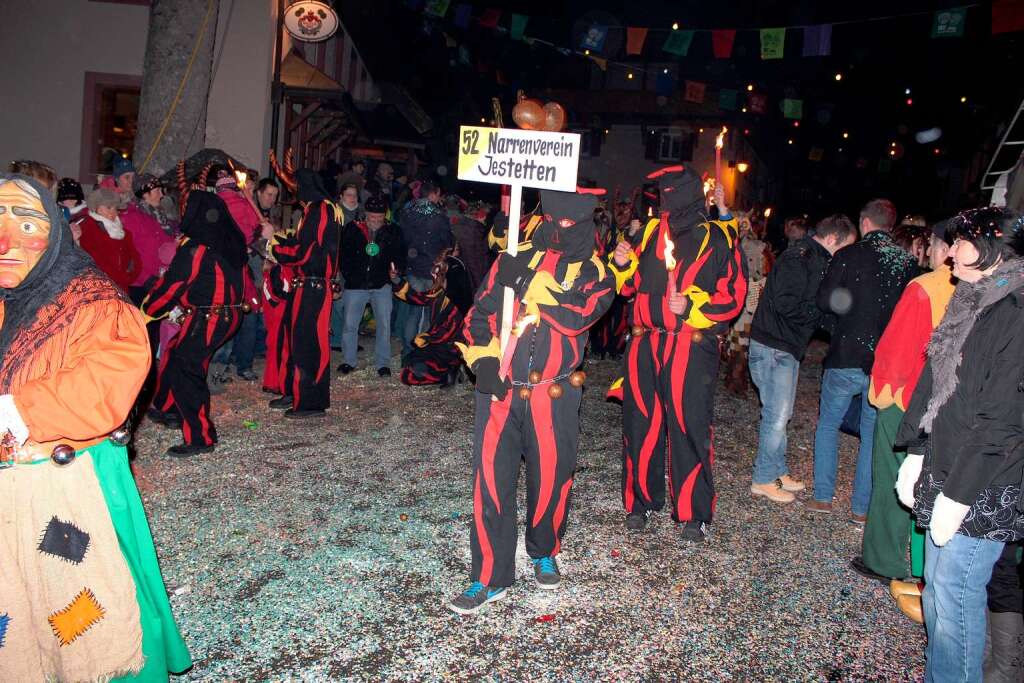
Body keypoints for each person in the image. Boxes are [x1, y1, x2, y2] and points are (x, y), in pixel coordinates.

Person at [0, 172, 191, 680]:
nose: (5, 241)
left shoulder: (95, 303)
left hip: (67, 489)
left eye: (25, 221)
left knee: (83, 613)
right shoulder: (7, 299)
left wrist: (16, 409)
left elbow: (107, 381)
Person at [448, 188, 615, 614]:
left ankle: (544, 547)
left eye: (569, 224)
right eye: (553, 220)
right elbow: (478, 314)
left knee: (552, 478)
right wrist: (484, 361)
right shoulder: (515, 255)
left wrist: (527, 282)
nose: (560, 230)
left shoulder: (596, 272)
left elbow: (579, 315)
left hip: (554, 393)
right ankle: (488, 575)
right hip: (501, 390)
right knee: (490, 483)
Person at [894, 207, 1024, 682]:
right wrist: (916, 450)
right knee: (936, 594)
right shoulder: (970, 299)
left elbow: (1003, 420)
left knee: (956, 597)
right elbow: (936, 383)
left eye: (960, 241)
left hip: (983, 481)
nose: (948, 252)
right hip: (946, 464)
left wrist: (958, 496)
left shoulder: (1015, 309)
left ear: (992, 247)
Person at [610, 167, 747, 542]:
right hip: (644, 344)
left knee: (689, 428)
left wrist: (690, 305)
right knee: (640, 425)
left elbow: (733, 294)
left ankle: (692, 512)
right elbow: (629, 286)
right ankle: (640, 501)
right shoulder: (652, 232)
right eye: (663, 192)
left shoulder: (717, 238)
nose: (666, 199)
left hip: (689, 346)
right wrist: (622, 263)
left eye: (674, 192)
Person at [851, 220, 956, 586]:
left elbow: (895, 350)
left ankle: (883, 558)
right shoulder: (980, 291)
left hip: (907, 398)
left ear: (941, 248)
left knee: (892, 478)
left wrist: (881, 394)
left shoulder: (924, 288)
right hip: (949, 403)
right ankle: (924, 565)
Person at [810, 199, 918, 522]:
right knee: (871, 434)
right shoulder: (906, 263)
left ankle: (822, 497)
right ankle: (860, 509)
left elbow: (824, 301)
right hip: (882, 361)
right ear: (891, 225)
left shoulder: (847, 255)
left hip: (846, 353)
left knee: (829, 423)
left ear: (864, 222)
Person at [747, 214, 857, 504]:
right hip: (774, 345)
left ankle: (777, 469)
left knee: (781, 413)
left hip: (785, 345)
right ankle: (763, 478)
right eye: (844, 246)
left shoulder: (812, 257)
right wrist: (822, 321)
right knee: (776, 414)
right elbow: (786, 303)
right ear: (833, 239)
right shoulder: (800, 258)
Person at [143, 190, 246, 456]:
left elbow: (173, 284)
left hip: (208, 317)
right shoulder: (228, 240)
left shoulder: (198, 247)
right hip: (224, 315)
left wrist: (146, 311)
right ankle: (169, 407)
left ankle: (200, 437)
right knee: (174, 353)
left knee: (187, 370)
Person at [268, 169, 343, 419]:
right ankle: (294, 390)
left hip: (314, 287)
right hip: (304, 286)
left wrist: (276, 248)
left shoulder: (321, 209)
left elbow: (308, 252)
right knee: (294, 341)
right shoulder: (313, 210)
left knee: (309, 344)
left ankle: (310, 401)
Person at [337, 196, 405, 377]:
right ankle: (348, 361)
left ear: (385, 215)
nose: (375, 222)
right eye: (372, 218)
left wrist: (395, 272)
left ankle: (383, 363)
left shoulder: (393, 231)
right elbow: (343, 255)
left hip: (381, 284)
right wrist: (350, 276)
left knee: (384, 325)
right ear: (365, 213)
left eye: (379, 218)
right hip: (356, 285)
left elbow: (400, 255)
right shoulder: (352, 228)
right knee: (350, 325)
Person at [392, 247, 473, 386]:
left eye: (437, 273)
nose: (433, 276)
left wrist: (424, 338)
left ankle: (448, 372)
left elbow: (446, 332)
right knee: (408, 364)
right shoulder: (439, 292)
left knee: (410, 374)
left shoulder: (459, 304)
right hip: (437, 346)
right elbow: (417, 297)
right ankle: (449, 372)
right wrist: (397, 280)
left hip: (450, 350)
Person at [398, 180, 453, 358]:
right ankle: (422, 352)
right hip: (432, 269)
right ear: (433, 194)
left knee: (414, 311)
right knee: (430, 313)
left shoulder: (407, 211)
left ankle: (408, 351)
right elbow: (447, 242)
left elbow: (403, 239)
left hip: (413, 267)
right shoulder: (439, 215)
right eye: (438, 194)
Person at [724, 211, 774, 397]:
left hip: (747, 303)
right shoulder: (728, 245)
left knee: (741, 342)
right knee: (733, 342)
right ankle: (734, 377)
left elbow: (763, 275)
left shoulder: (756, 247)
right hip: (729, 300)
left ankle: (736, 379)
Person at [121, 175, 177, 305]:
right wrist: (145, 278)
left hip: (160, 281)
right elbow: (127, 254)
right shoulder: (132, 218)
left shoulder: (159, 217)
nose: (161, 195)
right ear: (145, 194)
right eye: (157, 191)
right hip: (140, 285)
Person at [78, 188, 140, 292]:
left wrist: (129, 276)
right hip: (99, 288)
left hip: (122, 287)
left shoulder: (123, 232)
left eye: (115, 208)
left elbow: (135, 259)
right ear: (96, 208)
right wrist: (120, 278)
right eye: (108, 207)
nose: (113, 212)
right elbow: (94, 261)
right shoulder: (88, 228)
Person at [448, 197, 490, 292]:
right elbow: (474, 262)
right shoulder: (474, 232)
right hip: (471, 279)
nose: (486, 219)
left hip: (460, 275)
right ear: (480, 215)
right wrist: (481, 287)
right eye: (485, 215)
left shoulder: (462, 225)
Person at [56, 177, 88, 243]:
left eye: (74, 199)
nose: (73, 201)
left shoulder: (86, 215)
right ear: (60, 201)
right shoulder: (57, 214)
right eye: (69, 200)